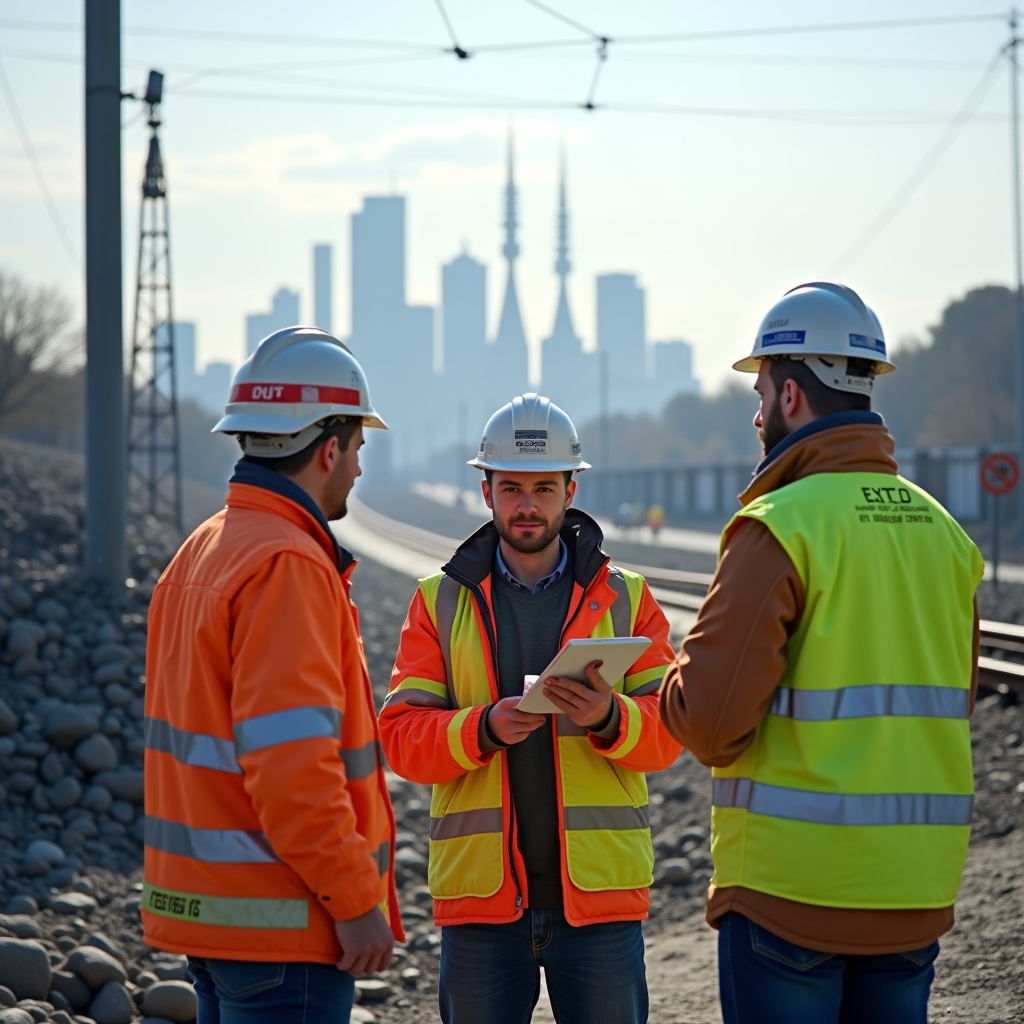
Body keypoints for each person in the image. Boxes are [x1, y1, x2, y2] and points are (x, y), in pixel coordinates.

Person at [659, 283, 983, 1024]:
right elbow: (949, 701)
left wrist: (678, 674)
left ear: (793, 396)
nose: (757, 411)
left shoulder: (779, 526)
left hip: (791, 898)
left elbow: (710, 727)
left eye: (762, 390)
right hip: (915, 890)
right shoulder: (945, 533)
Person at [380, 394, 682, 1024]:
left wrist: (608, 717)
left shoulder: (626, 597)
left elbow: (670, 734)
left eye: (544, 487)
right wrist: (482, 728)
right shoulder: (438, 602)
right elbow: (401, 739)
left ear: (571, 490)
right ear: (485, 490)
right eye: (511, 487)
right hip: (482, 907)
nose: (527, 504)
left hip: (598, 904)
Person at [143, 327, 402, 1023]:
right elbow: (291, 764)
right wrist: (355, 901)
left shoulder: (202, 550)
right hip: (283, 928)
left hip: (208, 915)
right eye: (358, 449)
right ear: (328, 448)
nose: (356, 469)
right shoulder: (287, 564)